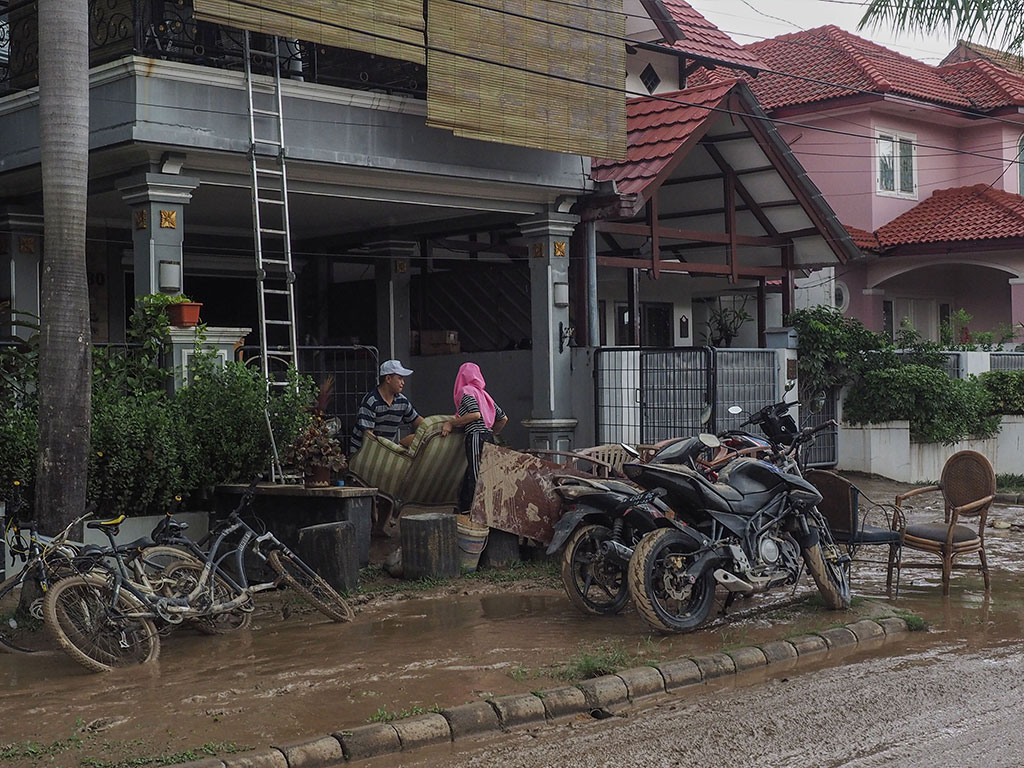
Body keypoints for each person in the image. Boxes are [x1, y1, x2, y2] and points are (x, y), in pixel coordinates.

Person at [441, 362, 508, 513]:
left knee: (476, 473)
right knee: (481, 471)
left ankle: (476, 511)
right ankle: (465, 507)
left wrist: (450, 423)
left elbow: (475, 414)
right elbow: (503, 418)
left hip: (475, 436)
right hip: (487, 436)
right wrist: (491, 432)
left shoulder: (466, 391)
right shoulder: (484, 395)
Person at [350, 359, 424, 455]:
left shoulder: (402, 402)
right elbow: (368, 436)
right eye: (400, 378)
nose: (403, 383)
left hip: (385, 451)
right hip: (362, 453)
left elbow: (418, 421)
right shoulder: (371, 401)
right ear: (388, 379)